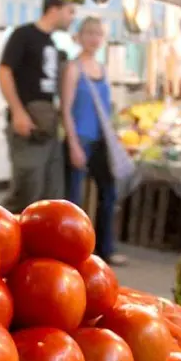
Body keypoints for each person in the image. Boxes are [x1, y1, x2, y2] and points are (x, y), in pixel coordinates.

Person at [0, 0, 76, 213]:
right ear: (55, 9)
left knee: (51, 196)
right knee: (25, 192)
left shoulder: (52, 42)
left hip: (48, 126)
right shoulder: (23, 35)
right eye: (70, 11)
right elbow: (4, 72)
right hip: (27, 124)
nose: (72, 18)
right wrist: (18, 112)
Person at [61, 16, 126, 266]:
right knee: (74, 201)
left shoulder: (103, 69)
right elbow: (66, 110)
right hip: (81, 140)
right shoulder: (73, 68)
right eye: (89, 33)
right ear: (79, 36)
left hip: (101, 142)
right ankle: (72, 253)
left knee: (109, 193)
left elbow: (105, 109)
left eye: (98, 34)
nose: (94, 39)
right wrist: (73, 144)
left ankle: (105, 249)